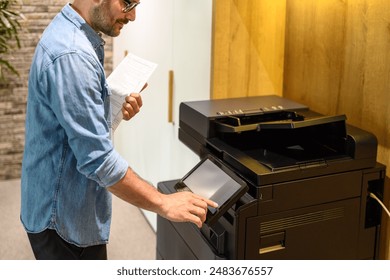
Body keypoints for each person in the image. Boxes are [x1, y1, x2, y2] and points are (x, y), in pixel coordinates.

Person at [20, 0, 217, 260]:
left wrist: (107, 104)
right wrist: (163, 202)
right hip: (61, 217)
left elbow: (69, 122)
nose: (133, 16)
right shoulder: (72, 55)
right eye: (127, 3)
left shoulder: (72, 32)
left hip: (59, 200)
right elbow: (98, 160)